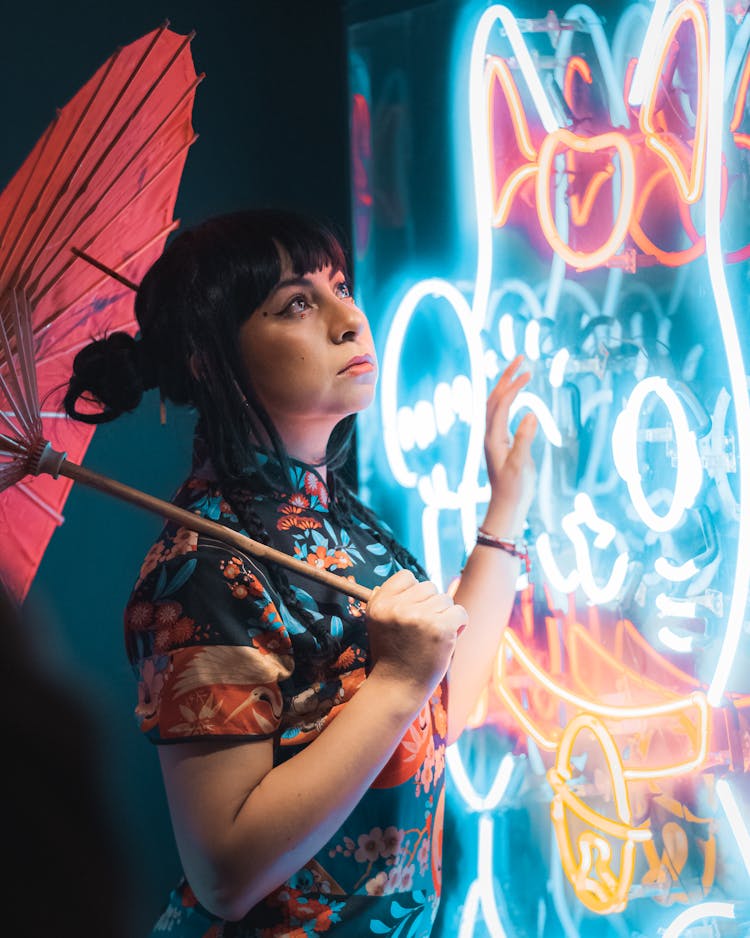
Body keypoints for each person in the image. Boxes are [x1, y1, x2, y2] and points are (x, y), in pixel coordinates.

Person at [64, 208, 536, 937]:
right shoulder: (201, 570)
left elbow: (437, 710)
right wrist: (397, 680)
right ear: (206, 356)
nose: (351, 319)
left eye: (341, 286)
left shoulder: (341, 520)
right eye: (296, 304)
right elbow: (224, 874)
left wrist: (505, 512)